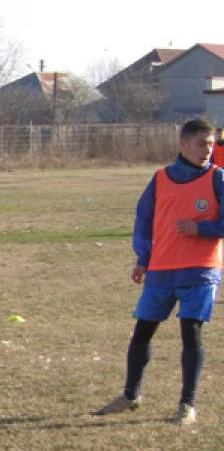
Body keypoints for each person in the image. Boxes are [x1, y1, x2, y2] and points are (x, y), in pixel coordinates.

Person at [95, 118, 224, 426]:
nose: (207, 150)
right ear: (183, 144)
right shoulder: (161, 178)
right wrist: (144, 258)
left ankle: (187, 405)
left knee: (190, 333)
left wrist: (201, 229)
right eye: (201, 144)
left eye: (210, 144)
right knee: (142, 331)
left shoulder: (218, 178)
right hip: (162, 269)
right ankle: (130, 395)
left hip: (200, 270)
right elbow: (145, 219)